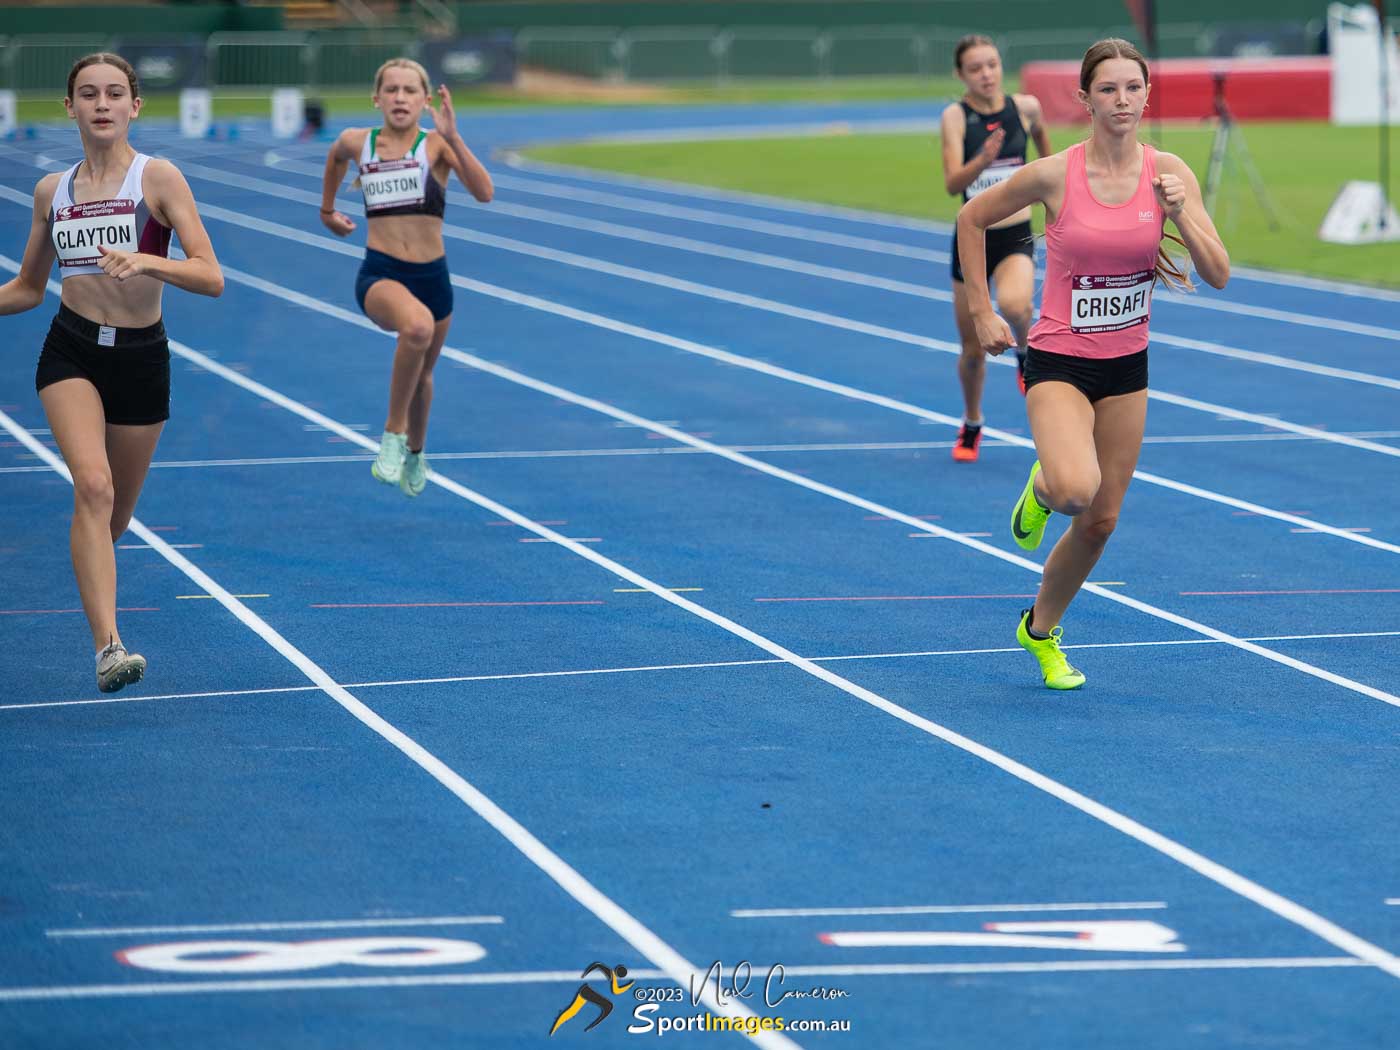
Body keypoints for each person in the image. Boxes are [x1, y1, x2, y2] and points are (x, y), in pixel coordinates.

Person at [956, 38, 1229, 689]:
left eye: (1133, 88)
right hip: (1059, 362)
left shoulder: (1171, 173)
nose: (1122, 100)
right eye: (1108, 89)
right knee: (1076, 489)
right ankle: (1045, 486)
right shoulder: (1056, 174)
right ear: (1085, 99)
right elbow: (971, 219)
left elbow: (1217, 273)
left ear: (1147, 94)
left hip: (1127, 368)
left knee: (1102, 520)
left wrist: (1181, 214)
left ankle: (1039, 630)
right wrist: (982, 311)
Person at [0, 53, 223, 693]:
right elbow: (25, 287)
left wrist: (150, 262)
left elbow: (211, 276)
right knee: (91, 488)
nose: (102, 104)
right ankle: (109, 648)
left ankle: (96, 562)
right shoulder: (52, 191)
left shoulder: (159, 179)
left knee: (114, 518)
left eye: (115, 93)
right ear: (69, 107)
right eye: (89, 94)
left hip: (141, 358)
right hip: (70, 350)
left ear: (134, 106)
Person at [319, 58, 493, 496]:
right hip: (381, 273)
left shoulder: (435, 146)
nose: (399, 97)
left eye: (409, 90)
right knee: (415, 328)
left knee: (423, 376)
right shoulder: (359, 141)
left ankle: (416, 451)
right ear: (377, 98)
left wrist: (453, 136)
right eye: (391, 89)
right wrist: (327, 210)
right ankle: (393, 435)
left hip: (434, 277)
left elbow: (485, 192)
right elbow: (335, 155)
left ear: (425, 100)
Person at [941, 34, 1050, 463]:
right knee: (972, 350)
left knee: (1018, 306)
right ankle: (972, 422)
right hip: (973, 239)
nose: (986, 74)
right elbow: (954, 185)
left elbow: (1045, 148)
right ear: (961, 75)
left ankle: (1025, 354)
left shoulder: (1025, 107)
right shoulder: (955, 116)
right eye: (975, 68)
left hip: (1015, 233)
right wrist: (982, 160)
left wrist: (1049, 182)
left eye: (992, 64)